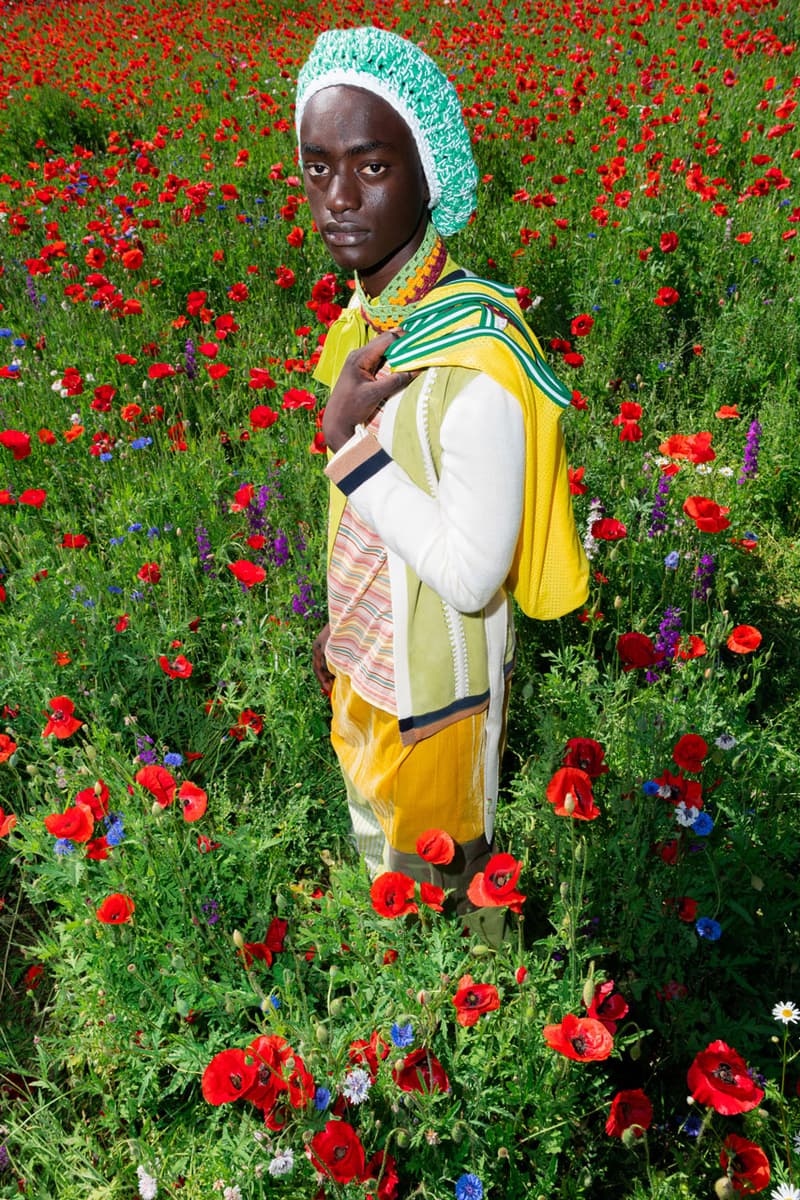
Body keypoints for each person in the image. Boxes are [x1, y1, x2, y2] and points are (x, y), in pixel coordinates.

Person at [296, 27, 589, 907]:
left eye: (372, 167)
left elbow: (468, 578)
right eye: (317, 168)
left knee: (451, 901)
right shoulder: (375, 316)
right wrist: (342, 635)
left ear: (433, 173)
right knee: (379, 868)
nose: (338, 198)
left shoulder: (476, 363)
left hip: (437, 706)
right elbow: (366, 528)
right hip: (366, 665)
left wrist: (351, 444)